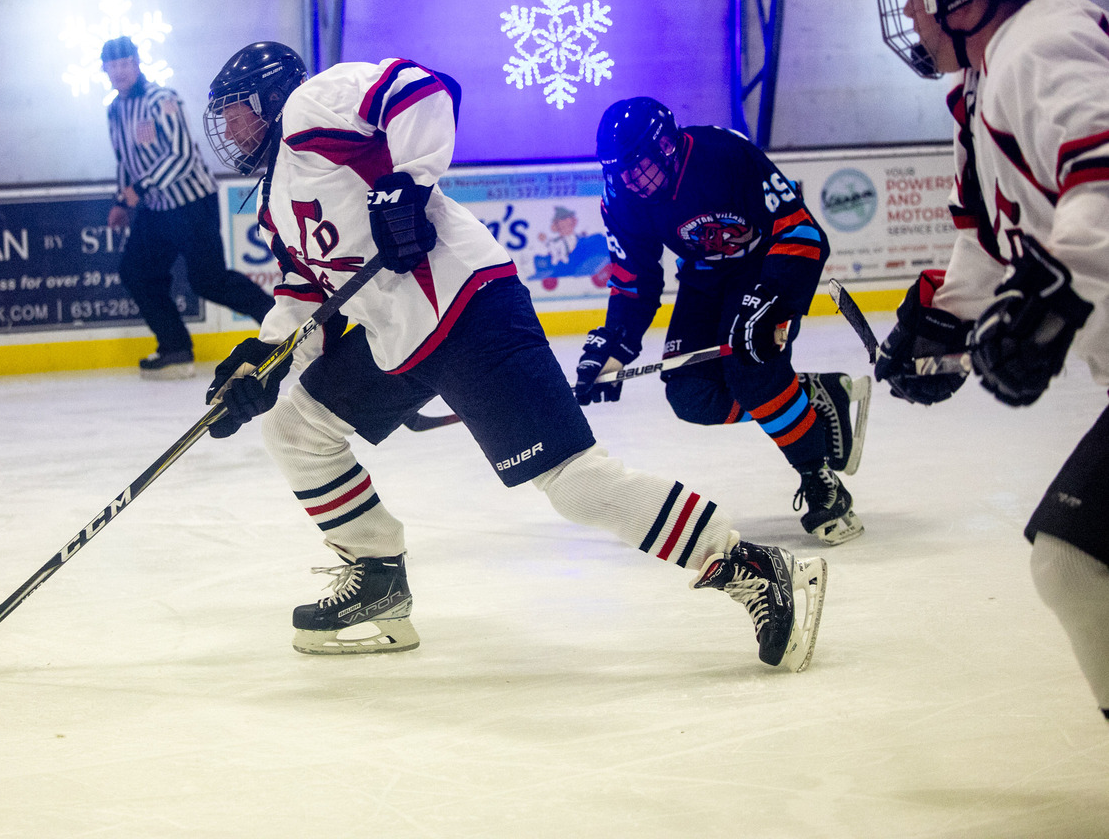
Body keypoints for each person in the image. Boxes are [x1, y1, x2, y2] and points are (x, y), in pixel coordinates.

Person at [197, 41, 829, 671]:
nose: (226, 129)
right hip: (397, 337)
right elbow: (306, 292)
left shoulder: (313, 107)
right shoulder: (275, 201)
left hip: (472, 309)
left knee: (572, 484)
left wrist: (406, 186)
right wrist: (263, 360)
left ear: (270, 97)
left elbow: (422, 87)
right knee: (295, 426)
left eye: (233, 110)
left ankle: (753, 566)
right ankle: (376, 575)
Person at [873, 0, 1109, 720]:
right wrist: (945, 319)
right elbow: (983, 233)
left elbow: (1104, 181)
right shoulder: (985, 74)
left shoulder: (1042, 47)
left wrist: (1054, 296)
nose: (910, 13)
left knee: (1076, 563)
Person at [576, 97, 871, 546]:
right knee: (691, 396)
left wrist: (771, 297)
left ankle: (820, 477)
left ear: (668, 147)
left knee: (752, 371)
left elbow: (801, 231)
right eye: (619, 169)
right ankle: (813, 395)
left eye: (639, 166)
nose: (631, 180)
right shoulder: (620, 197)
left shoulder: (723, 153)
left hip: (766, 267)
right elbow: (634, 277)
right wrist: (615, 345)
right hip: (704, 279)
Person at [99, 36, 274, 378]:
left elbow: (180, 156)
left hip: (191, 204)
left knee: (209, 281)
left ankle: (281, 327)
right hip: (156, 208)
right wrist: (122, 201)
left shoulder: (162, 100)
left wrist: (139, 188)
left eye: (125, 64)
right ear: (104, 70)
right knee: (136, 273)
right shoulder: (114, 109)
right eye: (113, 66)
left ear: (137, 63)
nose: (119, 71)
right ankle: (175, 349)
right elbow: (125, 160)